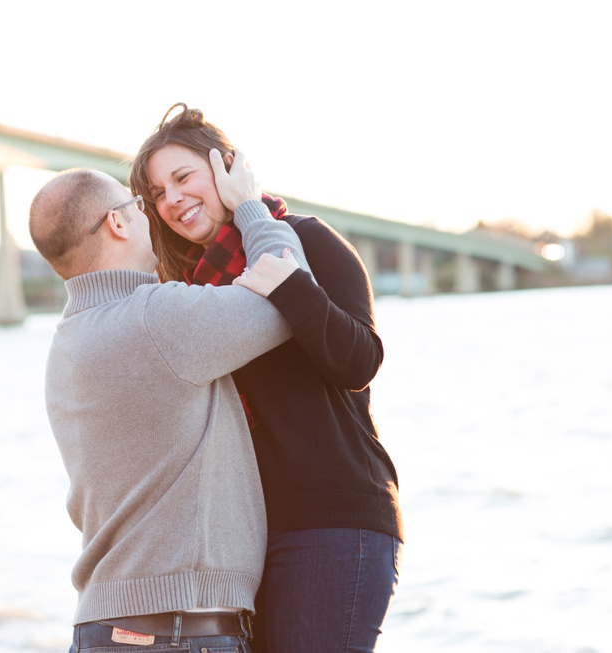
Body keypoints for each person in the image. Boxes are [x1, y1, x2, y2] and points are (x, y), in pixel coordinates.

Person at [128, 103, 404, 653]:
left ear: (227, 168)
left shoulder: (307, 239)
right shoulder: (187, 291)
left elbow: (359, 361)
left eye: (183, 177)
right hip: (243, 542)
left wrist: (286, 283)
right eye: (158, 193)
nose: (173, 199)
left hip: (333, 520)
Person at [28, 152, 315, 652]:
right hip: (177, 629)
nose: (149, 214)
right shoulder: (156, 319)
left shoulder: (66, 345)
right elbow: (291, 292)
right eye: (139, 204)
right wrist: (249, 206)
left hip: (102, 626)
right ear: (117, 222)